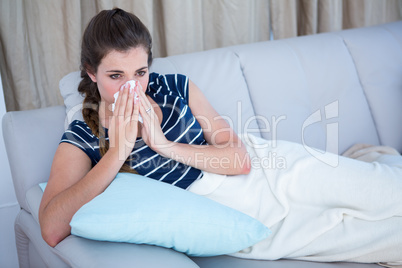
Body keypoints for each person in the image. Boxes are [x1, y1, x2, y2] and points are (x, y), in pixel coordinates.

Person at [39, 8, 402, 264]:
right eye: (115, 76)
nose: (132, 88)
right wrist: (117, 154)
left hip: (269, 170)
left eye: (140, 73)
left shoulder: (174, 88)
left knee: (388, 191)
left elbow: (239, 159)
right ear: (91, 72)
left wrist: (163, 145)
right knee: (381, 241)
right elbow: (52, 227)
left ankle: (370, 163)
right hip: (234, 214)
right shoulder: (83, 134)